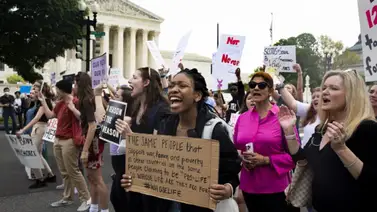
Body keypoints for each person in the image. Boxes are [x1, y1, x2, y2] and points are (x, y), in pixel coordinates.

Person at [119, 68, 241, 212]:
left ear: (197, 95)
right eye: (171, 86)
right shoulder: (165, 126)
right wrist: (136, 178)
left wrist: (228, 188)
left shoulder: (215, 129)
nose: (174, 90)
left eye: (182, 86)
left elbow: (232, 168)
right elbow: (156, 164)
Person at [283, 70, 377, 212]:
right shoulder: (322, 129)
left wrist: (341, 149)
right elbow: (303, 159)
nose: (324, 92)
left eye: (333, 88)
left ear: (351, 95)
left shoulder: (367, 128)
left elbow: (371, 181)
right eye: (324, 88)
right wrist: (289, 131)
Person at [233, 72, 296, 212]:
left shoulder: (283, 116)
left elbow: (295, 156)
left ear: (270, 91)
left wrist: (266, 160)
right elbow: (237, 149)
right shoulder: (242, 118)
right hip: (249, 187)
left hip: (276, 189)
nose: (256, 88)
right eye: (252, 85)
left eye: (261, 85)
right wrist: (243, 158)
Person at [39, 79, 90, 211]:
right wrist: (43, 101)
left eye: (57, 89)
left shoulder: (76, 102)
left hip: (70, 140)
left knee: (73, 171)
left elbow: (83, 119)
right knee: (64, 172)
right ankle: (67, 198)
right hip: (58, 139)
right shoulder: (60, 103)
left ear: (62, 90)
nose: (55, 92)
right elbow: (51, 116)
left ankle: (86, 199)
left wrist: (72, 108)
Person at [75, 73, 109, 212]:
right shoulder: (90, 99)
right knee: (92, 178)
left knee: (97, 179)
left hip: (91, 143)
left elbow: (92, 125)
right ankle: (94, 207)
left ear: (80, 84)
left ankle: (104, 209)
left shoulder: (86, 101)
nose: (74, 86)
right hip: (94, 141)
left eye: (75, 83)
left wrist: (84, 150)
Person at [17, 81, 56, 189]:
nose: (32, 91)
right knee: (38, 154)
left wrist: (23, 129)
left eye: (35, 88)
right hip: (40, 128)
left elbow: (36, 118)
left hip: (39, 128)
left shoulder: (44, 101)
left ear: (41, 90)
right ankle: (50, 175)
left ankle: (40, 179)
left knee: (31, 154)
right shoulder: (42, 101)